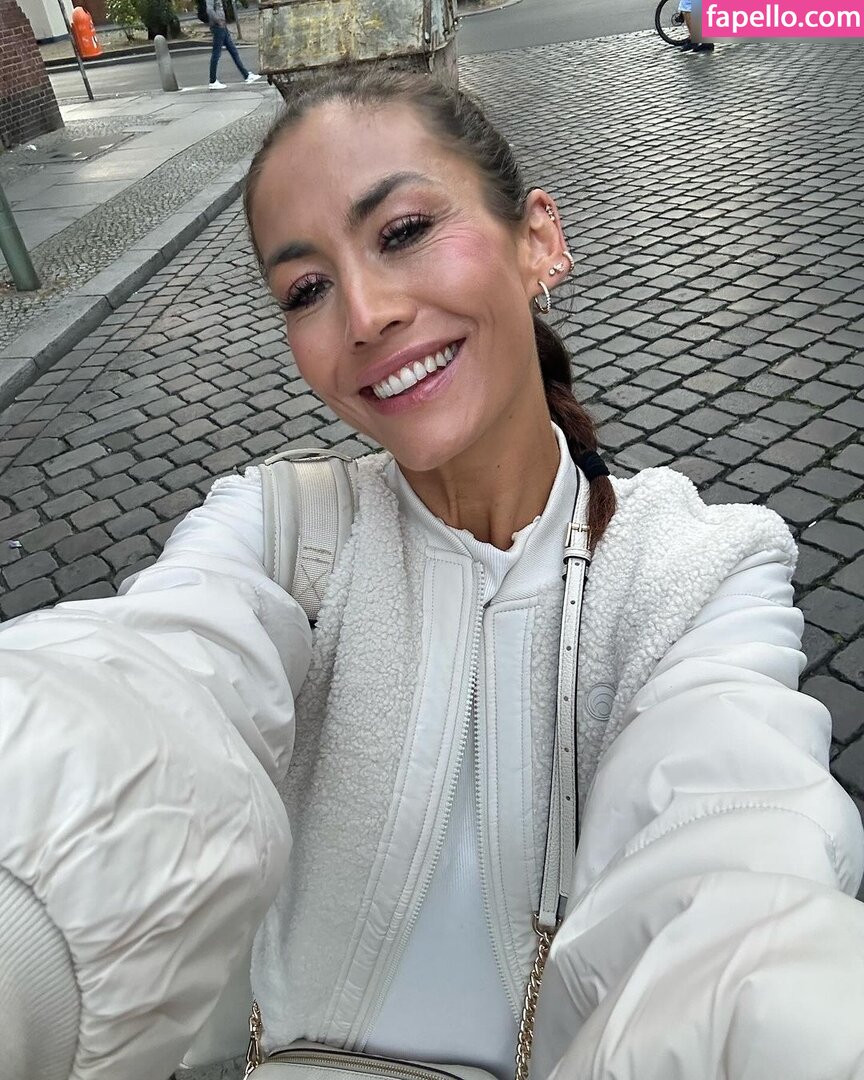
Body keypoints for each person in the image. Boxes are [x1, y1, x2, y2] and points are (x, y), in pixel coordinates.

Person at [2, 69, 864, 1080]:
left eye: (404, 230)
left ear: (537, 240)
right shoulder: (277, 535)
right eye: (307, 289)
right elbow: (141, 692)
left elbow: (737, 841)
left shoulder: (697, 569)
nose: (364, 314)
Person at [205, 0, 261, 88]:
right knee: (216, 54)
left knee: (233, 51)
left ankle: (246, 75)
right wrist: (218, 21)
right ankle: (212, 81)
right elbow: (209, 10)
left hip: (222, 26)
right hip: (218, 27)